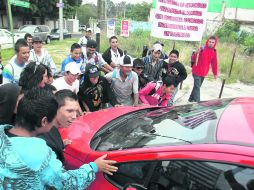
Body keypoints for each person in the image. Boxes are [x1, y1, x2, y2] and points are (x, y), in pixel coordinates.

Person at [0, 88, 118, 189]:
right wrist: (93, 167)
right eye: (53, 120)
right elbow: (66, 183)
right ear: (44, 121)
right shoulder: (40, 154)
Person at [39, 89, 82, 164]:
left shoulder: (52, 128)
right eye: (69, 111)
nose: (74, 116)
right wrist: (94, 166)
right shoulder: (44, 141)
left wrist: (60, 144)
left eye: (76, 111)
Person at [188, 36, 218, 102]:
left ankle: (190, 99)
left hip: (204, 73)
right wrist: (196, 53)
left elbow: (214, 63)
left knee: (197, 87)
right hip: (196, 71)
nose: (211, 43)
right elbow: (193, 58)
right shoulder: (202, 48)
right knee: (197, 88)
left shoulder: (214, 52)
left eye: (212, 42)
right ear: (207, 41)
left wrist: (215, 73)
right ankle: (197, 102)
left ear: (215, 43)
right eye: (210, 42)